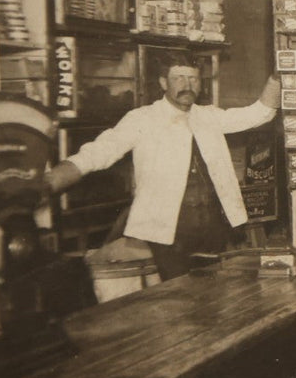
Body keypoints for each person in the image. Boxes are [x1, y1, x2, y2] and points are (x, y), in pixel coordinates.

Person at [44, 56, 281, 280]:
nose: (187, 85)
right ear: (162, 83)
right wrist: (51, 180)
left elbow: (258, 114)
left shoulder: (209, 116)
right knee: (178, 297)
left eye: (193, 79)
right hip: (169, 230)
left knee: (215, 297)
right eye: (178, 78)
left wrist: (276, 78)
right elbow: (100, 152)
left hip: (214, 225)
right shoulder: (143, 118)